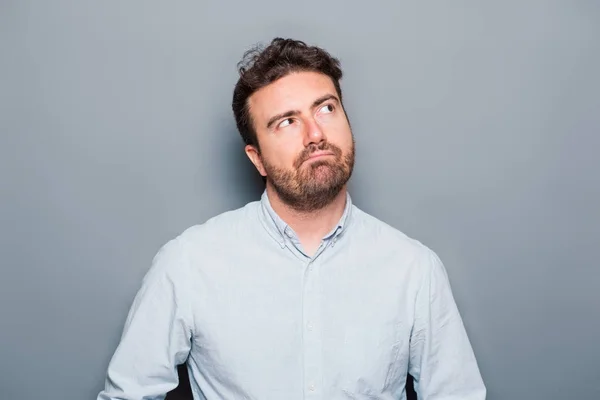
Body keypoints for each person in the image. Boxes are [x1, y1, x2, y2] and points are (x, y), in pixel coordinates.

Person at [97, 38, 486, 400]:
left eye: (326, 108)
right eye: (287, 121)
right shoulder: (189, 264)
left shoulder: (414, 270)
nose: (315, 133)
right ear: (257, 158)